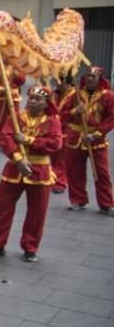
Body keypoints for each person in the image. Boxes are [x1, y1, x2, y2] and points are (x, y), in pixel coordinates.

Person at [0, 86, 63, 262]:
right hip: (14, 169)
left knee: (36, 213)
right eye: (31, 97)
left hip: (40, 172)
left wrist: (29, 140)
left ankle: (30, 247)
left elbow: (55, 144)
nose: (32, 101)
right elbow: (5, 137)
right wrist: (18, 158)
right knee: (1, 209)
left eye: (37, 99)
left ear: (47, 102)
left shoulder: (53, 120)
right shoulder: (17, 117)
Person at [61, 66, 114, 215]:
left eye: (94, 77)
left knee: (102, 173)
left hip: (97, 140)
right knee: (75, 171)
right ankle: (78, 199)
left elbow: (111, 118)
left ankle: (106, 203)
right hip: (75, 138)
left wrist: (96, 134)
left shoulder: (108, 96)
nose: (90, 79)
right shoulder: (75, 95)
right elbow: (61, 115)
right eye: (88, 76)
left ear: (100, 79)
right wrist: (74, 112)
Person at [0, 68, 25, 151]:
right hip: (1, 97)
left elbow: (22, 81)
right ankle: (0, 141)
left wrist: (17, 75)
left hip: (14, 97)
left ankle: (13, 140)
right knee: (0, 120)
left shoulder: (17, 67)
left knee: (14, 119)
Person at [52, 75, 76, 195]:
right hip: (54, 127)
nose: (58, 85)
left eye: (60, 82)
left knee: (62, 157)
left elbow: (75, 114)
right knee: (53, 155)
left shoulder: (75, 96)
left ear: (68, 83)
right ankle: (52, 177)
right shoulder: (56, 93)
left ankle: (60, 182)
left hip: (68, 128)